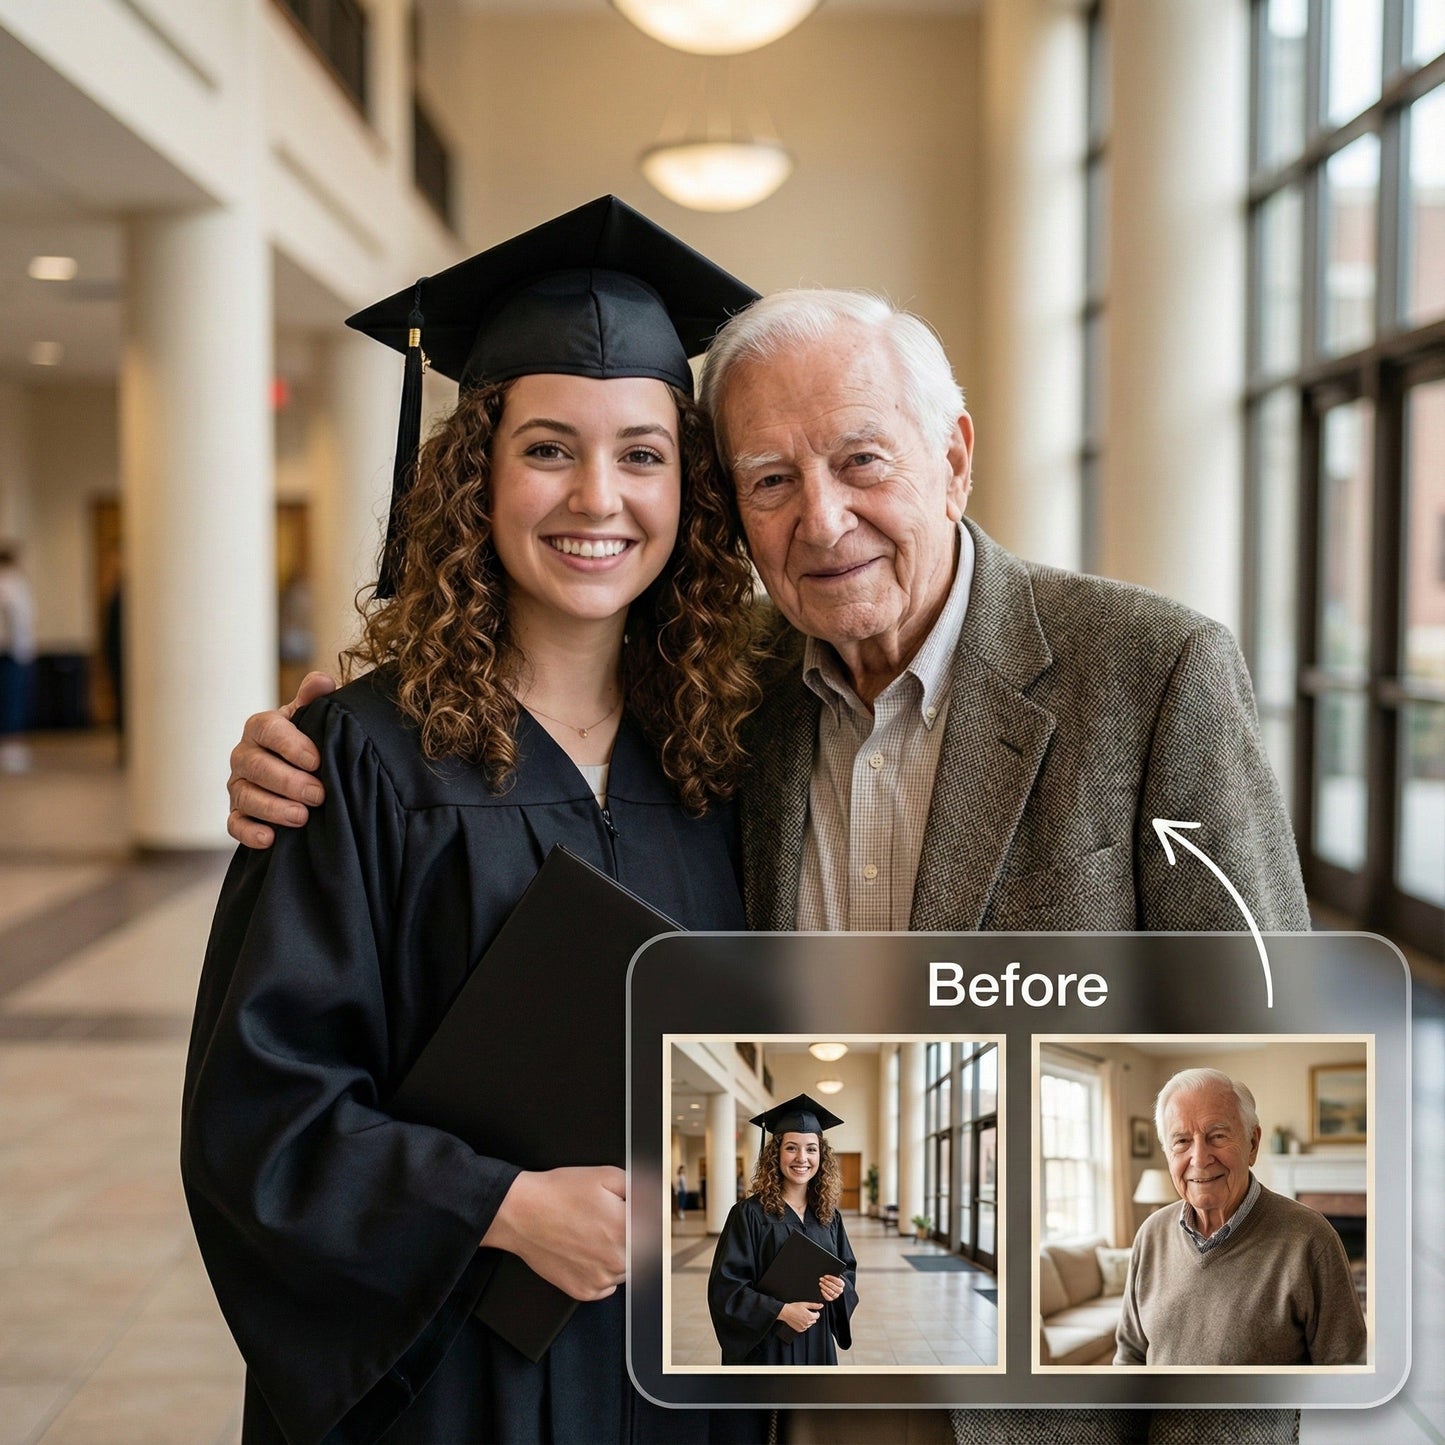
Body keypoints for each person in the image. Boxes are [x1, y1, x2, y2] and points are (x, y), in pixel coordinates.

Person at [225, 287, 1311, 1445]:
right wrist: (301, 754)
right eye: (770, 479)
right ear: (730, 511)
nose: (823, 519)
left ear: (953, 458)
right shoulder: (730, 707)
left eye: (860, 460)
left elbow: (1260, 1023)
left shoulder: (1148, 674)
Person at [181, 197, 767, 1445]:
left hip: (676, 1362)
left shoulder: (735, 759)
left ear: (691, 487)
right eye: (548, 447)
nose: (596, 496)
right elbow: (259, 1120)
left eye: (644, 453)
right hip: (448, 1377)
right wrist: (500, 1204)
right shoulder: (357, 760)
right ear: (476, 473)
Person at [1114, 1068, 1366, 1366]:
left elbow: (1344, 1374)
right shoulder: (1150, 1235)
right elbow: (1130, 1356)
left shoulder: (1311, 1239)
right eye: (1181, 1141)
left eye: (1217, 1136)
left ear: (1253, 1144)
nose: (1200, 1158)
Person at [708, 1094, 858, 1366]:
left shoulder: (829, 1216)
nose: (802, 1158)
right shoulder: (748, 1214)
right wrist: (782, 1311)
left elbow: (846, 1270)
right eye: (791, 1147)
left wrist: (841, 1287)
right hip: (768, 1346)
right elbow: (726, 1289)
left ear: (821, 1156)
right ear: (775, 1153)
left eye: (811, 1149)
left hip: (817, 1340)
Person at [0, 539, 36, 774]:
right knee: (12, 701)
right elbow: (18, 619)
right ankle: (12, 753)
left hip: (12, 650)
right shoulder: (11, 583)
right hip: (12, 653)